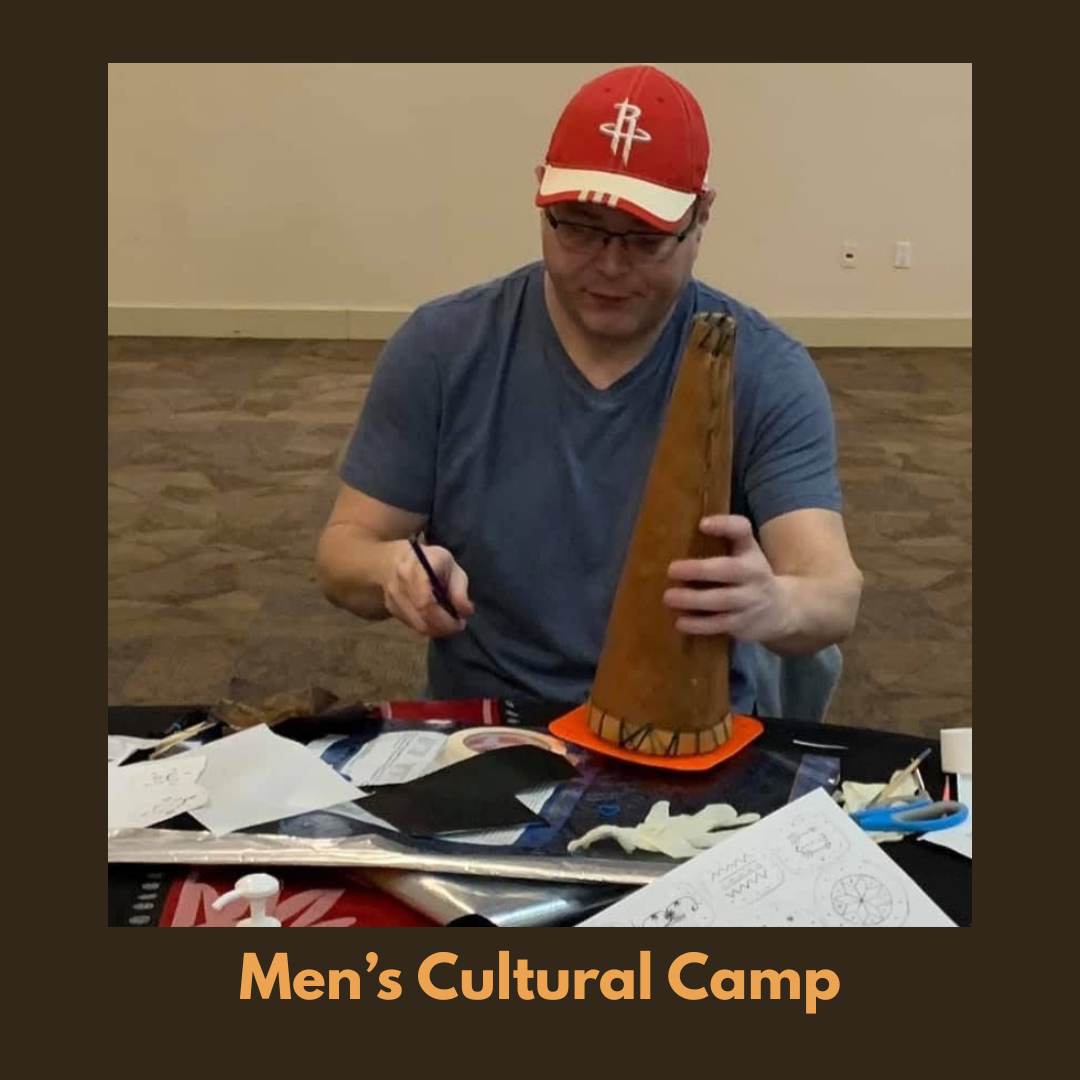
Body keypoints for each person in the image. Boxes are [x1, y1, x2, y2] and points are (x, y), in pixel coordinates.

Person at [316, 64, 863, 715]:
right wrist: (393, 572)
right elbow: (343, 552)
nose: (608, 266)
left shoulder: (761, 369)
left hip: (683, 727)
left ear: (701, 216)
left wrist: (776, 602)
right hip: (497, 728)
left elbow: (833, 591)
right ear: (541, 194)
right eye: (577, 226)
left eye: (644, 239)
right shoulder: (443, 347)